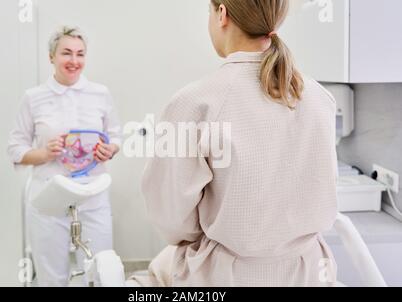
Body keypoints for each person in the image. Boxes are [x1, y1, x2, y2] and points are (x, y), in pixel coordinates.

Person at [132, 0, 338, 287]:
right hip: (311, 273)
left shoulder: (193, 103)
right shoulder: (319, 98)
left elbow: (169, 216)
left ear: (221, 14)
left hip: (227, 276)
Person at [7, 26, 122, 286]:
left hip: (93, 193)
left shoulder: (100, 94)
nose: (74, 61)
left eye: (80, 54)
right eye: (66, 53)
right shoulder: (33, 98)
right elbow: (15, 149)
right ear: (51, 56)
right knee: (51, 276)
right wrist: (45, 153)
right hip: (49, 195)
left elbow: (115, 136)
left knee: (101, 270)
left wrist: (110, 149)